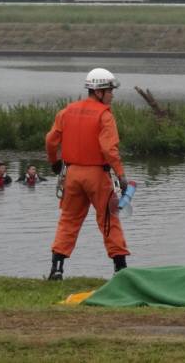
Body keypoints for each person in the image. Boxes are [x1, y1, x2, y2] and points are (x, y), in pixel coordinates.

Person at [45, 68, 130, 281]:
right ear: (99, 91)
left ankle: (57, 268)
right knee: (109, 220)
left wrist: (54, 162)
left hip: (72, 174)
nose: (112, 94)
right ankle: (121, 270)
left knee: (68, 220)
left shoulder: (67, 111)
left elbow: (50, 141)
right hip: (97, 176)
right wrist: (121, 175)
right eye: (110, 90)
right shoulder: (105, 115)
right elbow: (109, 149)